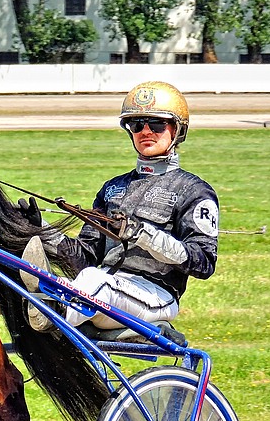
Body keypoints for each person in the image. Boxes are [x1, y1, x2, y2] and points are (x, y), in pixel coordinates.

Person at [22, 80, 219, 334]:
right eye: (137, 125)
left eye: (157, 124)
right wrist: (41, 230)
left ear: (177, 130)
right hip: (101, 292)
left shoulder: (194, 191)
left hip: (155, 296)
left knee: (92, 282)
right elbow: (85, 257)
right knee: (87, 278)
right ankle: (51, 298)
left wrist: (142, 234)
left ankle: (54, 312)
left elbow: (203, 262)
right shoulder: (113, 188)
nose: (146, 131)